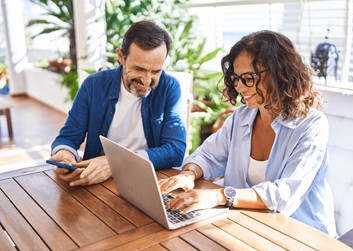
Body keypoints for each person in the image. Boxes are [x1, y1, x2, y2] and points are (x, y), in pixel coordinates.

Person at [159, 30, 337, 237]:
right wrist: (188, 174)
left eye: (248, 78)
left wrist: (219, 196)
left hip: (302, 234)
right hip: (250, 226)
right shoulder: (242, 117)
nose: (240, 86)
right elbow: (207, 155)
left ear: (279, 73)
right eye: (236, 78)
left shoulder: (311, 125)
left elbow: (283, 195)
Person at [50, 20, 187, 187]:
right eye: (139, 69)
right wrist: (65, 154)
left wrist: (115, 163)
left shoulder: (169, 87)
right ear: (121, 57)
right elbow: (68, 136)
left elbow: (175, 150)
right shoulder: (93, 85)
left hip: (147, 180)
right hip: (96, 181)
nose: (147, 80)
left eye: (156, 71)